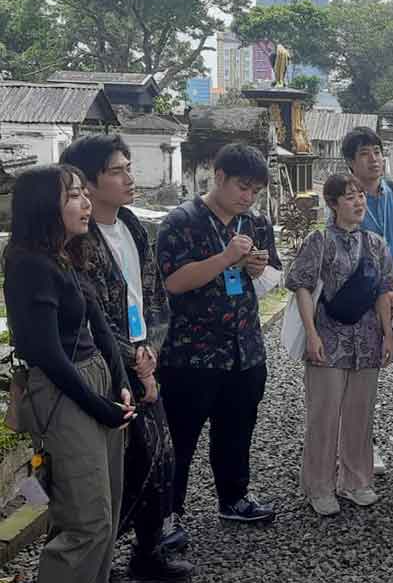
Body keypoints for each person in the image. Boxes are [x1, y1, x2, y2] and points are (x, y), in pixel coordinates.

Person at [61, 135, 193, 580]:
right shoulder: (78, 243)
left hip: (145, 356)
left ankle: (148, 550)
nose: (129, 178)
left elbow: (154, 293)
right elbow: (90, 316)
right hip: (108, 364)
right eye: (116, 171)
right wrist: (131, 358)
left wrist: (152, 346)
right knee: (112, 467)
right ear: (89, 184)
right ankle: (97, 560)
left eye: (127, 167)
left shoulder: (134, 225)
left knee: (159, 458)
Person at [4, 165, 135, 583]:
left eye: (83, 193)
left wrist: (122, 384)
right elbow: (45, 351)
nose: (86, 203)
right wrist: (98, 404)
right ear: (46, 206)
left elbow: (99, 326)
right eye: (74, 195)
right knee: (86, 522)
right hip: (65, 392)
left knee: (106, 511)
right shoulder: (29, 266)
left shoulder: (66, 255)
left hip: (93, 379)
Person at [157, 143, 281, 524]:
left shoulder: (256, 222)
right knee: (180, 439)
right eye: (242, 187)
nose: (248, 197)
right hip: (192, 353)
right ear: (219, 176)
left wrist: (259, 269)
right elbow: (173, 282)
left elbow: (274, 271)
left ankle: (234, 498)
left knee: (237, 430)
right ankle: (168, 513)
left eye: (255, 191)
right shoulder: (182, 221)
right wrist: (226, 259)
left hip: (244, 348)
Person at [285, 173, 393, 515]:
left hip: (366, 339)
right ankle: (318, 485)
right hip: (328, 337)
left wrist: (388, 334)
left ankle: (356, 480)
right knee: (324, 414)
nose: (358, 202)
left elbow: (383, 292)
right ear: (333, 204)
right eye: (349, 197)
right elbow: (303, 287)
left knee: (360, 415)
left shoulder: (376, 244)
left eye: (360, 196)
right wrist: (311, 333)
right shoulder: (319, 241)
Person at [342, 127, 393, 474]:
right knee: (361, 380)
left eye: (376, 151)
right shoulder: (346, 201)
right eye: (364, 153)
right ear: (350, 162)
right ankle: (364, 446)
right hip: (362, 309)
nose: (374, 158)